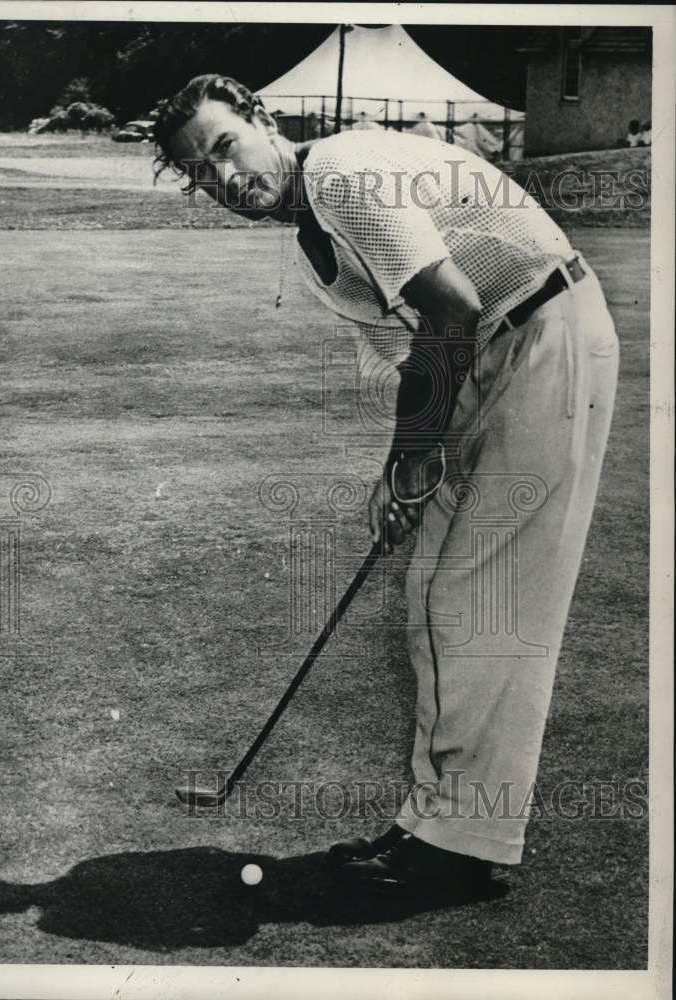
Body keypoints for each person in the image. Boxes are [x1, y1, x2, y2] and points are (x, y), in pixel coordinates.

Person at [153, 75, 619, 897]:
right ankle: (433, 825)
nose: (222, 179)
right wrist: (398, 472)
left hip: (543, 333)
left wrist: (412, 461)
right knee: (436, 592)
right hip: (491, 350)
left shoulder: (340, 173)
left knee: (474, 601)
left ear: (263, 119)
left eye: (224, 146)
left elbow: (452, 308)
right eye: (199, 171)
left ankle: (458, 845)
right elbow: (422, 359)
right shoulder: (314, 251)